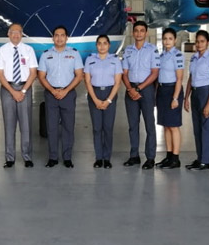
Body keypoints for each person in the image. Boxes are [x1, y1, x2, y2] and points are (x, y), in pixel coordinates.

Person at [38, 26, 84, 168]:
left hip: (68, 94)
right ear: (53, 38)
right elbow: (41, 76)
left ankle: (67, 157)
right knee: (51, 127)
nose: (59, 38)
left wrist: (66, 90)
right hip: (51, 94)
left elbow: (79, 75)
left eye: (62, 35)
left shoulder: (74, 54)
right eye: (56, 35)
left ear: (66, 37)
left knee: (68, 127)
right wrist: (52, 90)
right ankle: (53, 157)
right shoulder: (45, 55)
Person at [0, 23, 38, 168]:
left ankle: (27, 156)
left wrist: (23, 91)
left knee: (26, 124)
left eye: (19, 32)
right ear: (8, 34)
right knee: (9, 124)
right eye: (13, 32)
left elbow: (33, 73)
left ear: (22, 34)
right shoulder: (1, 51)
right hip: (8, 88)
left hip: (25, 87)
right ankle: (10, 158)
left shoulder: (29, 50)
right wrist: (13, 91)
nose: (16, 35)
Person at [121, 21, 160, 169]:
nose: (138, 33)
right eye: (136, 30)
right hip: (130, 89)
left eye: (142, 30)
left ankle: (150, 157)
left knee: (149, 124)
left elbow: (155, 73)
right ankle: (134, 156)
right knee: (133, 125)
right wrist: (130, 89)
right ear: (133, 33)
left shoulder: (152, 50)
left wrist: (138, 89)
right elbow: (124, 73)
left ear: (146, 33)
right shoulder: (128, 50)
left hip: (146, 89)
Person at [83, 34, 122, 169]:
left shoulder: (115, 60)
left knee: (108, 128)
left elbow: (117, 82)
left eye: (105, 43)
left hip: (110, 93)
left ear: (109, 45)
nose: (102, 46)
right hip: (94, 93)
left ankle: (107, 158)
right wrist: (95, 99)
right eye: (99, 43)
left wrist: (109, 100)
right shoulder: (90, 60)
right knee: (97, 128)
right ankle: (99, 158)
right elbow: (87, 81)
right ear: (96, 45)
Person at [184, 30, 209, 170]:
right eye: (197, 41)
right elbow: (190, 78)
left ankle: (205, 161)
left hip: (206, 92)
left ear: (208, 43)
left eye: (202, 41)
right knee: (197, 128)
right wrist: (186, 97)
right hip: (195, 93)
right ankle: (199, 158)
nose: (199, 44)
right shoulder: (193, 58)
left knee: (205, 127)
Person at [154, 28, 184, 169]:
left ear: (175, 40)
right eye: (165, 38)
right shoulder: (161, 56)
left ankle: (175, 159)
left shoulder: (177, 56)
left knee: (173, 126)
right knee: (165, 125)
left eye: (170, 39)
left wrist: (175, 98)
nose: (167, 41)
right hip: (162, 90)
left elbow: (179, 78)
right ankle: (169, 156)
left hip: (173, 90)